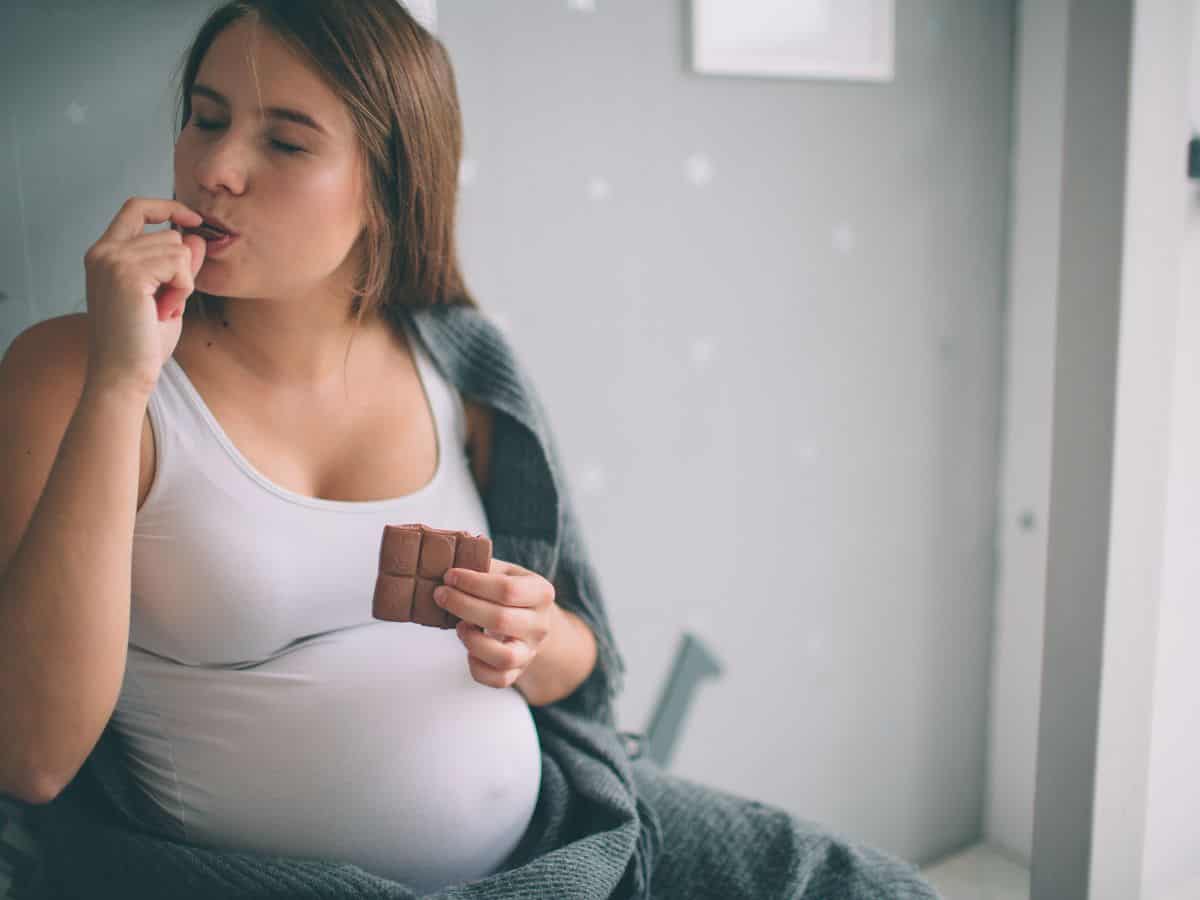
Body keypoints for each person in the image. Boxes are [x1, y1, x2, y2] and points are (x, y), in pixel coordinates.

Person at [0, 2, 943, 897]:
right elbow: (31, 758)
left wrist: (533, 634)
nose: (216, 168)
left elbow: (578, 670)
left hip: (563, 849)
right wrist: (123, 381)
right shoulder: (73, 371)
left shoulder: (462, 365)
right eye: (205, 119)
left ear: (388, 182)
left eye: (284, 141)